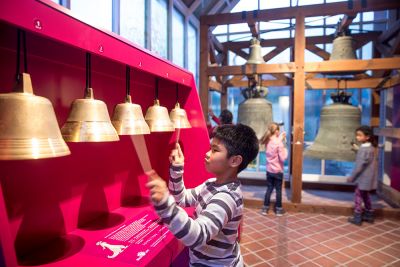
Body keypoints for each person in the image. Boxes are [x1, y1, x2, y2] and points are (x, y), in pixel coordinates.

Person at [146, 124, 259, 266]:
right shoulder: (211, 184)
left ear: (235, 160)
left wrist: (166, 205)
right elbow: (181, 199)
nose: (207, 153)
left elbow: (197, 236)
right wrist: (177, 168)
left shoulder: (226, 197)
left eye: (215, 150)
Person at [347, 125, 377, 226]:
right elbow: (365, 158)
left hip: (362, 178)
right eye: (357, 135)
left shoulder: (364, 150)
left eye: (359, 135)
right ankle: (369, 214)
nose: (357, 137)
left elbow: (360, 166)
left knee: (358, 196)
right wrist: (357, 149)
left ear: (367, 137)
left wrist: (352, 177)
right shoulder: (371, 148)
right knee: (365, 195)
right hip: (368, 177)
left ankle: (357, 217)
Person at [259, 122, 288, 216]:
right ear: (276, 131)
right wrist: (285, 149)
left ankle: (265, 209)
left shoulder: (268, 141)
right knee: (278, 190)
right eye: (278, 130)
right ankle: (279, 209)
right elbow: (283, 158)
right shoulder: (279, 143)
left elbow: (274, 143)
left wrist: (280, 139)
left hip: (269, 170)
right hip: (278, 171)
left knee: (269, 189)